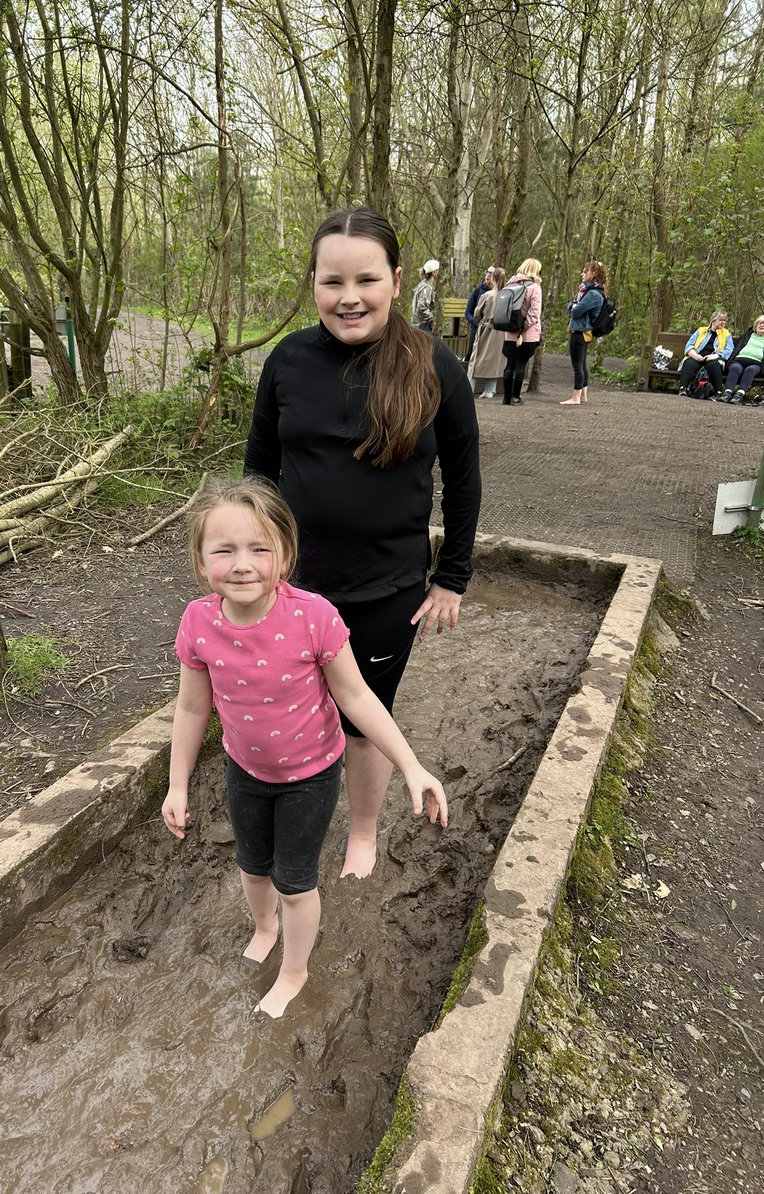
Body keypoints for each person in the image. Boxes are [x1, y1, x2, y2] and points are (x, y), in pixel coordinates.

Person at [244, 206, 481, 880]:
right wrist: (252, 562)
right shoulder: (288, 360)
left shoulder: (436, 366)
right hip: (292, 587)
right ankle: (297, 817)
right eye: (332, 282)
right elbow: (258, 471)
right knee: (292, 707)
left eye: (366, 280)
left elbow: (463, 482)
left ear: (397, 281)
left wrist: (452, 576)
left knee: (363, 718)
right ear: (314, 283)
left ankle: (364, 832)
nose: (349, 298)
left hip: (386, 590)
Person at [161, 479, 448, 1019]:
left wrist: (412, 766)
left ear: (286, 556)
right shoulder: (198, 623)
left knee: (295, 883)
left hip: (310, 775)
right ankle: (264, 927)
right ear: (201, 563)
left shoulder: (313, 617)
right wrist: (177, 785)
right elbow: (192, 709)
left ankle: (295, 969)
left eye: (259, 549)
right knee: (252, 867)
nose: (242, 564)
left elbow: (358, 698)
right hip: (244, 770)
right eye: (224, 550)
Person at [561, 261, 606, 405]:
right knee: (582, 364)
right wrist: (573, 305)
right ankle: (583, 395)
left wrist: (573, 305)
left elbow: (576, 311)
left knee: (577, 365)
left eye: (585, 272)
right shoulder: (593, 292)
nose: (582, 274)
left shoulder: (592, 294)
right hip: (584, 331)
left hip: (580, 331)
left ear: (592, 275)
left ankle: (575, 397)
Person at [501, 258, 542, 405]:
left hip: (509, 332)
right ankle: (516, 397)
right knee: (521, 365)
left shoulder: (510, 284)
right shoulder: (534, 288)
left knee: (509, 364)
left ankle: (506, 397)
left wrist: (514, 328)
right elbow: (534, 313)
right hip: (527, 335)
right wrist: (524, 327)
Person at [468, 267, 507, 399]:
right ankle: (490, 390)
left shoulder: (487, 295)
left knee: (476, 360)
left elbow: (477, 313)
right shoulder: (506, 296)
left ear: (494, 279)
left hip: (486, 330)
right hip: (501, 332)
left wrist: (479, 322)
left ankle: (469, 390)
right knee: (495, 360)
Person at [677, 311, 733, 398]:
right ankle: (682, 389)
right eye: (721, 320)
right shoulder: (701, 330)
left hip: (713, 359)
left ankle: (718, 392)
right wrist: (695, 355)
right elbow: (689, 345)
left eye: (724, 320)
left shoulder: (726, 334)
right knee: (689, 363)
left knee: (714, 365)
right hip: (698, 356)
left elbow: (729, 349)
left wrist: (716, 356)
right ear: (713, 320)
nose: (723, 322)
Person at [720, 314, 764, 404]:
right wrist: (728, 361)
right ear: (755, 326)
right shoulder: (748, 335)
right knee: (735, 368)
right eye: (760, 323)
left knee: (750, 370)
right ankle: (727, 393)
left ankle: (739, 395)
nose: (762, 325)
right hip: (739, 360)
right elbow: (737, 348)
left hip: (756, 364)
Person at [464, 266, 494, 362]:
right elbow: (467, 313)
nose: (488, 275)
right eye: (487, 272)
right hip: (476, 329)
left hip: (490, 332)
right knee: (470, 355)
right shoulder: (476, 291)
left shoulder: (497, 293)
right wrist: (475, 322)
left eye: (491, 273)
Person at [411, 259, 440, 332]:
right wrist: (433, 318)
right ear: (434, 272)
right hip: (423, 326)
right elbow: (421, 307)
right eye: (438, 270)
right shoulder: (426, 288)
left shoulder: (423, 285)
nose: (439, 272)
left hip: (420, 326)